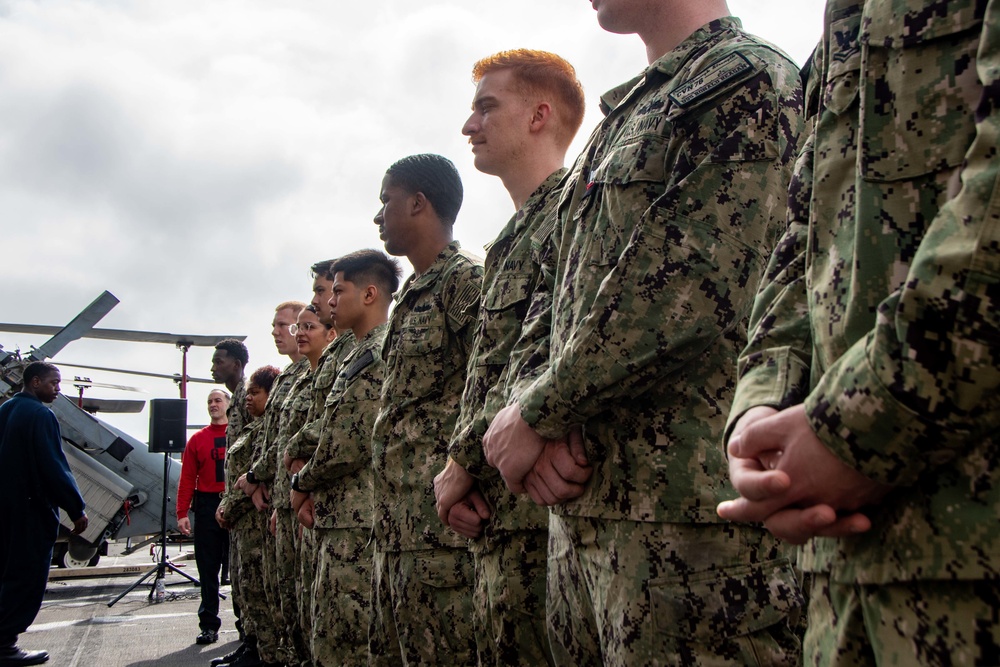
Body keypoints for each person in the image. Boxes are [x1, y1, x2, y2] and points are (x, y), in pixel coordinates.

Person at [481, 1, 805, 664]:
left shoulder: (744, 81)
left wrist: (540, 413)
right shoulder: (619, 122)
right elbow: (553, 292)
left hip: (690, 529)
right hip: (586, 516)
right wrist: (523, 416)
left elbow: (693, 286)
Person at [717, 1, 1000, 664]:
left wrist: (857, 425)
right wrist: (761, 412)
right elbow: (804, 244)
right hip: (848, 579)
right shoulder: (844, 25)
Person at [433, 49, 585, 666]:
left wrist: (461, 463)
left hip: (540, 514)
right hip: (497, 515)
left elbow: (553, 354)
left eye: (486, 107)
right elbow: (488, 374)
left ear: (539, 115)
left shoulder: (578, 212)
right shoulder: (506, 246)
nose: (470, 126)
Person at [368, 153, 484, 666]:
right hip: (397, 531)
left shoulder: (465, 283)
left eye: (385, 201)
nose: (378, 216)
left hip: (441, 533)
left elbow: (491, 385)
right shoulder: (412, 298)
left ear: (418, 203)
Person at [290, 249, 401, 666]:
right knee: (329, 634)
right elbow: (327, 426)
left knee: (350, 643)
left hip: (357, 521)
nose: (330, 301)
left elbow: (347, 441)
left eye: (338, 291)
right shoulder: (354, 354)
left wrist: (301, 483)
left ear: (369, 293)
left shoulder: (377, 351)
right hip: (337, 517)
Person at [283, 260, 357, 665]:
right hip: (317, 502)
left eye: (327, 290)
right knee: (312, 609)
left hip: (347, 509)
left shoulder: (358, 351)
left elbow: (342, 432)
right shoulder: (338, 358)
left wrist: (300, 482)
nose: (318, 300)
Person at [0, 362, 87, 667]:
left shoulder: (6, 410)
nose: (58, 389)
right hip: (30, 511)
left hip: (6, 510)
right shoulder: (40, 414)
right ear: (35, 382)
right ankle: (5, 643)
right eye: (54, 383)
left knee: (6, 573)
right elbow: (54, 466)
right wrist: (76, 508)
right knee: (26, 576)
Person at [237, 301, 308, 667]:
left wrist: (253, 477)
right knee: (280, 594)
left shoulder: (308, 375)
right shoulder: (286, 381)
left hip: (298, 501)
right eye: (276, 326)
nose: (278, 332)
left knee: (300, 599)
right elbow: (272, 440)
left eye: (285, 325)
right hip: (280, 499)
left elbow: (291, 444)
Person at [217, 365, 280, 667]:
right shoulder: (252, 430)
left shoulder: (266, 433)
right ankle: (250, 644)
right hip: (241, 525)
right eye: (248, 392)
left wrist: (227, 507)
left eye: (256, 393)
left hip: (255, 523)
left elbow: (253, 482)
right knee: (245, 588)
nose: (248, 398)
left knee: (258, 589)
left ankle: (264, 653)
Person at [176, 388, 231, 646]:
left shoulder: (240, 434)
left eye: (218, 400)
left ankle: (247, 626)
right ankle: (208, 625)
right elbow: (187, 478)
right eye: (209, 401)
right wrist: (182, 512)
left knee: (241, 570)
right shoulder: (197, 439)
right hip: (207, 505)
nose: (213, 405)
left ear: (229, 404)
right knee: (208, 569)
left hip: (236, 503)